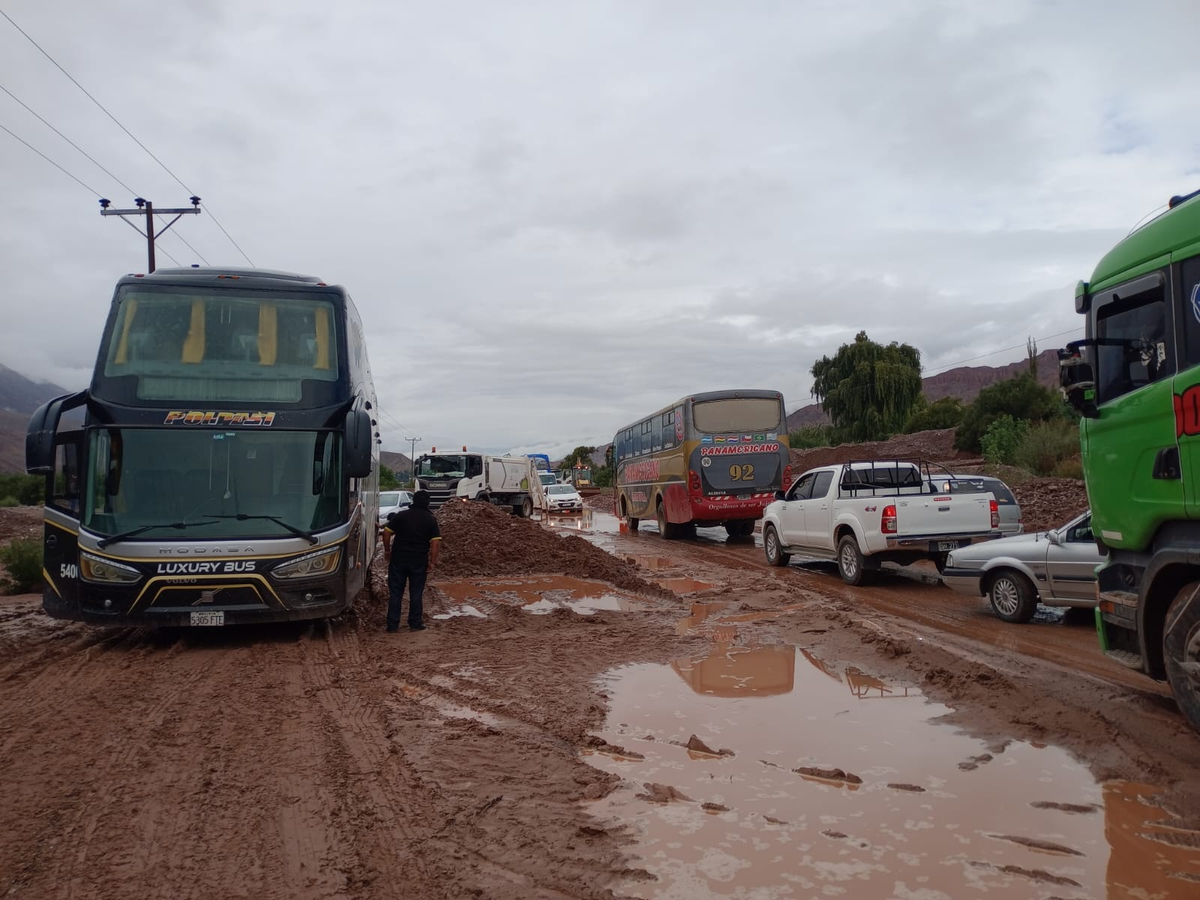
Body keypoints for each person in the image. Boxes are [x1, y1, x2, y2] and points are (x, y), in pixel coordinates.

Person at [383, 489, 441, 632]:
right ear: (428, 503)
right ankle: (415, 624)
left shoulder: (401, 516)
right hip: (418, 561)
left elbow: (386, 533)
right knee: (416, 592)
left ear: (413, 501)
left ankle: (392, 626)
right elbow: (435, 543)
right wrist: (432, 562)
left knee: (396, 592)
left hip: (398, 559)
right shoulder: (430, 519)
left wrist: (387, 550)